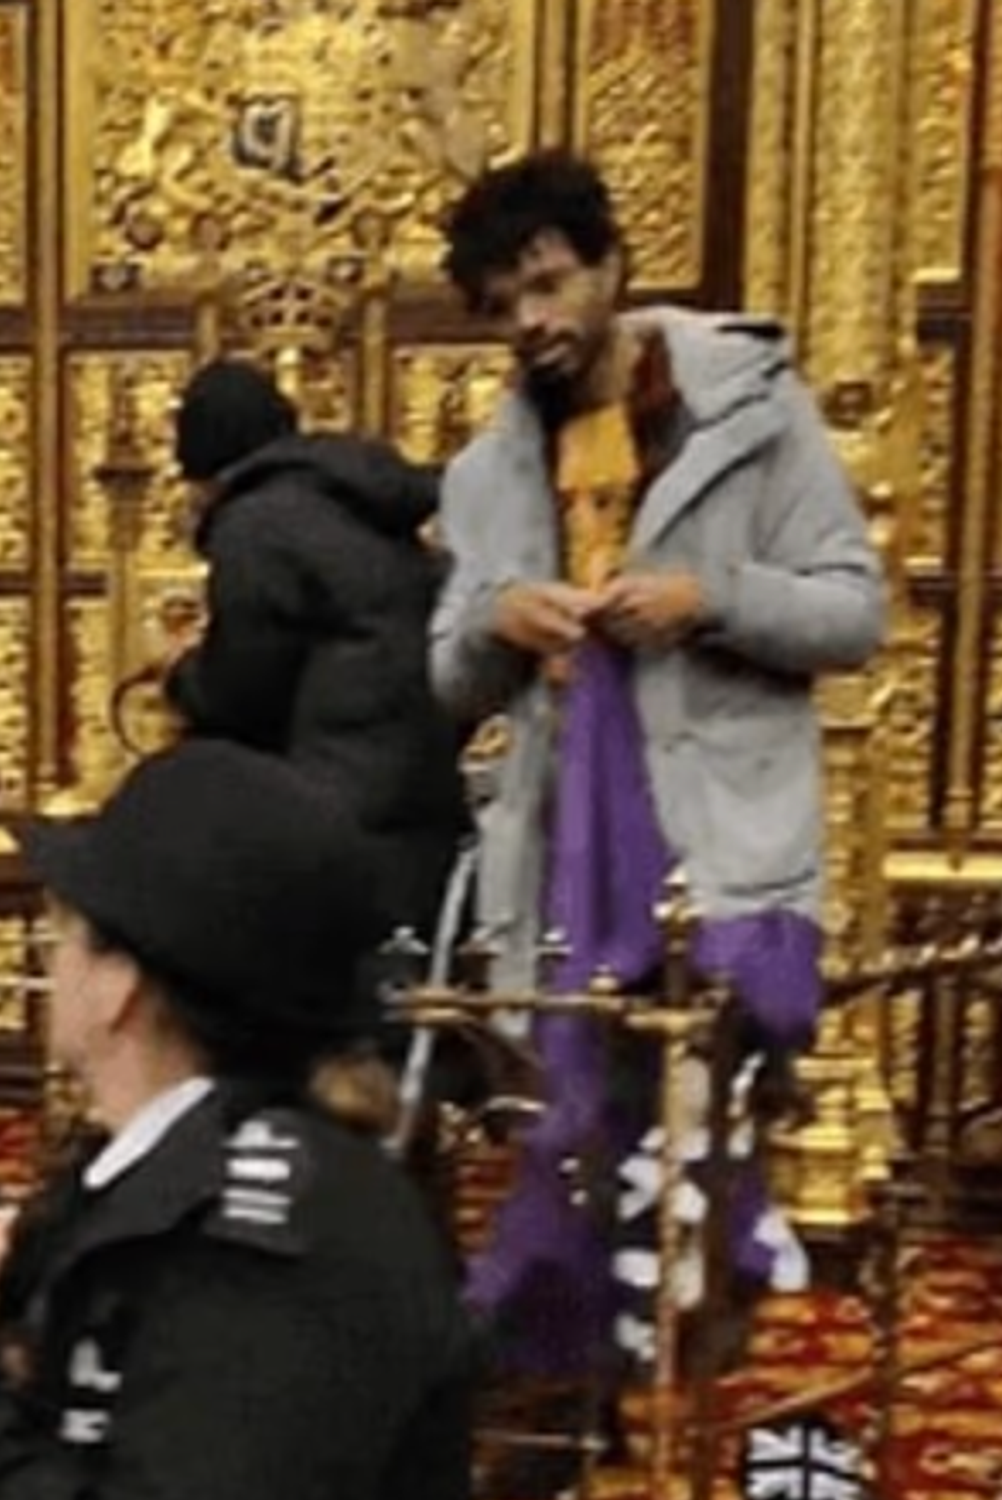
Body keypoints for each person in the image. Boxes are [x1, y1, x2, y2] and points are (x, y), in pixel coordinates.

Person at [428, 150, 884, 1478]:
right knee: (569, 1167)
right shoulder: (486, 468)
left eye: (551, 283)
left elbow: (853, 612)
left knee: (699, 1187)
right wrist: (499, 621)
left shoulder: (753, 410)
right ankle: (568, 1434)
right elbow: (445, 674)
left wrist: (711, 596)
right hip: (562, 875)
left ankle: (671, 1437)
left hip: (721, 869)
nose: (532, 320)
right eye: (503, 299)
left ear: (610, 267)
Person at [0, 739, 476, 1500]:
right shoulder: (225, 1153)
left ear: (119, 986)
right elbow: (81, 1253)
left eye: (64, 933)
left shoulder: (266, 1263)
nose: (51, 959)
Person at [164, 356, 470, 935]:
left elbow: (245, 691)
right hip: (420, 808)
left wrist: (182, 681)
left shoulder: (255, 525)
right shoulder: (357, 500)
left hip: (331, 827)